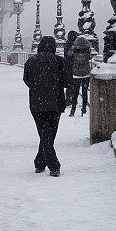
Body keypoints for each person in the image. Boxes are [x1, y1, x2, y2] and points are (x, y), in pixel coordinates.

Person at [23, 36, 70, 177]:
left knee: (44, 134)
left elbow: (27, 80)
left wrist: (38, 88)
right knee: (49, 134)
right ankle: (54, 166)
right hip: (55, 103)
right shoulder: (60, 61)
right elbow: (68, 82)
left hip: (37, 104)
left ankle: (39, 163)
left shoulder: (30, 61)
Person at [66, 35, 92, 117]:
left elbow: (68, 55)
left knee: (75, 92)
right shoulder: (87, 49)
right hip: (86, 73)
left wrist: (73, 48)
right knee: (85, 93)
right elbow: (89, 58)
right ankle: (83, 108)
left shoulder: (74, 48)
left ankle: (73, 109)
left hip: (76, 73)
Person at [63, 31, 79, 108]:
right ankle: (71, 101)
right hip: (73, 66)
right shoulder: (73, 44)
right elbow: (70, 55)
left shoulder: (67, 43)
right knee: (74, 84)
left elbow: (66, 55)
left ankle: (69, 100)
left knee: (70, 84)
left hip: (68, 66)